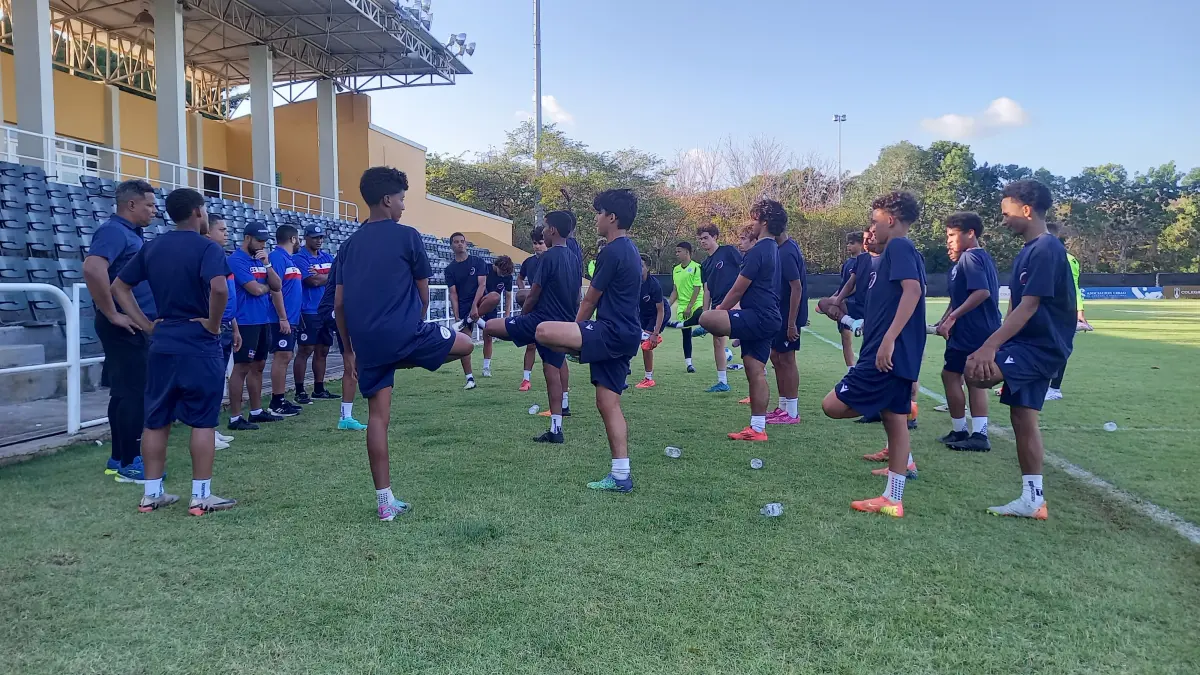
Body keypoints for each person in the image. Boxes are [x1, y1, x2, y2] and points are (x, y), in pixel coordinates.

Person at [334, 167, 475, 521]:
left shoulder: (349, 245)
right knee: (465, 345)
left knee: (378, 419)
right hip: (404, 334)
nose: (402, 206)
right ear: (387, 199)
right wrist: (414, 323)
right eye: (401, 199)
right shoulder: (407, 236)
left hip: (366, 344)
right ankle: (405, 358)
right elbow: (424, 294)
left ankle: (385, 503)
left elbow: (338, 305)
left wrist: (348, 350)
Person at [110, 188, 236, 515]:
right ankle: (201, 495)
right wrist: (212, 322)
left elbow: (118, 287)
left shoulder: (153, 247)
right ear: (198, 212)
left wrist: (146, 324)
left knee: (156, 420)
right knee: (203, 420)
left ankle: (151, 494)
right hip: (198, 341)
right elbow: (220, 287)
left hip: (163, 340)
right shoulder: (207, 247)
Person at [966, 180, 1075, 520]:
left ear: (1026, 210)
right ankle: (1033, 499)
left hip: (1041, 347)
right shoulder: (1029, 250)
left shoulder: (1046, 249)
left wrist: (989, 347)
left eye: (1006, 212)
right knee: (1022, 418)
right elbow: (1016, 306)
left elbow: (1028, 306)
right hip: (1024, 344)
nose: (1003, 220)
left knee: (975, 372)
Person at [821, 191, 926, 518]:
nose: (871, 227)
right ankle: (892, 499)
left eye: (874, 220)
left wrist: (889, 340)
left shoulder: (899, 246)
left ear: (890, 220)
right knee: (895, 421)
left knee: (832, 406)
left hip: (887, 354)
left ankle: (893, 402)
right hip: (890, 351)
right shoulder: (889, 255)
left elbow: (914, 291)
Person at [535, 190, 641, 491]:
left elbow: (590, 300)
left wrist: (575, 331)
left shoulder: (613, 250)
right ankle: (621, 476)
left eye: (598, 213)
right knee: (608, 403)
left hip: (611, 332)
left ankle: (580, 352)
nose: (595, 218)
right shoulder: (630, 250)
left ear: (612, 217)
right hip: (624, 334)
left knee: (544, 331)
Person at [485, 211, 582, 442]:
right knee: (551, 371)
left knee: (489, 326)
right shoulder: (574, 258)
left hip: (540, 320)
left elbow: (534, 294)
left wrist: (523, 313)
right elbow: (577, 296)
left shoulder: (547, 258)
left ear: (553, 231)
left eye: (545, 228)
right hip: (562, 323)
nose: (543, 232)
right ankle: (556, 430)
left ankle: (468, 322)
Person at [83, 179, 156, 482]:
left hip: (132, 322)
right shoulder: (114, 231)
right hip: (125, 325)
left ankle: (118, 456)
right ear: (131, 204)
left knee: (124, 393)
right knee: (134, 393)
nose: (154, 211)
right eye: (149, 205)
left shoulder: (131, 234)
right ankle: (130, 462)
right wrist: (112, 313)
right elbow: (92, 268)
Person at [699, 199, 784, 442]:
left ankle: (729, 345)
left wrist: (719, 312)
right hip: (765, 316)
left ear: (764, 222)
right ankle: (758, 429)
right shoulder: (773, 249)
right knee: (754, 370)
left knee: (706, 318)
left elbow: (737, 290)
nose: (751, 224)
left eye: (754, 219)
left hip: (759, 316)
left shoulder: (758, 251)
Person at [935, 212, 1001, 452]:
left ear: (970, 233)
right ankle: (961, 429)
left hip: (975, 329)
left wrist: (952, 318)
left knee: (973, 378)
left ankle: (978, 434)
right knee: (951, 375)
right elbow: (959, 298)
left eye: (953, 235)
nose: (949, 241)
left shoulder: (971, 258)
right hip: (967, 329)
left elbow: (981, 292)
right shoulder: (967, 259)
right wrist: (945, 320)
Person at [226, 222, 283, 430]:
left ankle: (256, 411)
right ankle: (235, 417)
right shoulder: (235, 260)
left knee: (258, 366)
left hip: (263, 320)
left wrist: (267, 265)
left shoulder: (261, 260)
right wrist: (266, 287)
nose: (261, 245)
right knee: (242, 368)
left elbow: (277, 286)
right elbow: (255, 290)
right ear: (247, 238)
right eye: (258, 240)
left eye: (264, 241)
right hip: (245, 321)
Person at [316, 252, 367, 430]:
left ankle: (346, 416)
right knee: (352, 359)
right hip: (334, 308)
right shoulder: (350, 255)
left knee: (355, 361)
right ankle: (346, 416)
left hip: (348, 309)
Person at [691, 224, 742, 393]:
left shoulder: (728, 251)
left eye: (705, 237)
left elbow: (745, 272)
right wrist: (706, 315)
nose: (702, 241)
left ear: (715, 237)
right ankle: (722, 382)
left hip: (735, 302)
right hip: (717, 305)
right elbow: (707, 289)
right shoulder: (704, 264)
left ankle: (759, 377)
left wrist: (741, 300)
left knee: (748, 338)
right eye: (700, 239)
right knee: (718, 343)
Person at [768, 216, 807, 425]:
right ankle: (782, 407)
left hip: (788, 316)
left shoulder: (788, 251)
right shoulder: (780, 249)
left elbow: (797, 287)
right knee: (777, 357)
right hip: (779, 315)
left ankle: (792, 412)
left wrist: (791, 323)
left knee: (787, 360)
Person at [204, 217, 238, 451]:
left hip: (226, 325)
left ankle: (212, 429)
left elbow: (229, 296)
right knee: (211, 380)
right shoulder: (206, 257)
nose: (226, 233)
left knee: (219, 381)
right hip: (214, 326)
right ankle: (206, 432)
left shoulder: (221, 258)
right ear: (208, 232)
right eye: (222, 230)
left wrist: (234, 327)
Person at [1045, 222, 1088, 400]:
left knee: (1058, 349)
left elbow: (1074, 289)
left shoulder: (1066, 259)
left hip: (1063, 314)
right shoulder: (1047, 257)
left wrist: (1079, 313)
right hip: (1049, 312)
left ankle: (1054, 389)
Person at [293, 225, 335, 404]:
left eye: (321, 237)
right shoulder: (299, 258)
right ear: (306, 238)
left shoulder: (327, 256)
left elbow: (337, 276)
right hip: (309, 310)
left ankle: (319, 388)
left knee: (323, 349)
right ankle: (300, 390)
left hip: (326, 310)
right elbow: (312, 281)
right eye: (315, 237)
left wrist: (323, 276)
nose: (319, 240)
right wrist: (328, 276)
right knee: (305, 349)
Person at [266, 225, 304, 417]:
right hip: (281, 319)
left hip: (292, 318)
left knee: (286, 356)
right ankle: (276, 401)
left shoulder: (289, 259)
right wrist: (282, 317)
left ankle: (280, 398)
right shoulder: (277, 257)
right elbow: (275, 289)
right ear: (293, 239)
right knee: (281, 357)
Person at [445, 232, 487, 388]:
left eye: (462, 241)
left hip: (481, 301)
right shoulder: (450, 269)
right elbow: (453, 294)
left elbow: (482, 285)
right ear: (451, 246)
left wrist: (474, 306)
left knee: (494, 297)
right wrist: (457, 317)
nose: (460, 244)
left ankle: (487, 367)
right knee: (465, 344)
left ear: (466, 243)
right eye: (456, 242)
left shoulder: (477, 261)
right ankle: (470, 379)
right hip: (463, 307)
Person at [517, 227, 548, 391]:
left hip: (550, 309)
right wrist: (524, 293)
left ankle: (559, 382)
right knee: (531, 345)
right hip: (533, 308)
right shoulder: (528, 262)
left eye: (540, 243)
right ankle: (526, 379)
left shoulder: (552, 259)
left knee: (553, 347)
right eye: (535, 243)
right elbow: (520, 278)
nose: (537, 246)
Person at [667, 241, 703, 372]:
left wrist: (690, 306)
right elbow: (675, 291)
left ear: (687, 252)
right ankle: (689, 364)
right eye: (676, 251)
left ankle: (681, 324)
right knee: (686, 335)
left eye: (679, 251)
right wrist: (667, 306)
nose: (676, 254)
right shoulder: (676, 269)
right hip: (682, 305)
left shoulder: (696, 267)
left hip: (696, 302)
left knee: (701, 315)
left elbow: (697, 288)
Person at [633, 254, 666, 389]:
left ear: (648, 268)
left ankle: (649, 379)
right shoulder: (631, 282)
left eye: (641, 266)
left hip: (655, 315)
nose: (637, 268)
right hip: (640, 315)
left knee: (645, 345)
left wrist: (655, 332)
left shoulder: (654, 285)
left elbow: (661, 310)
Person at [837, 232, 865, 366]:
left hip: (858, 303)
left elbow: (854, 286)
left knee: (868, 335)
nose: (848, 246)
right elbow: (844, 285)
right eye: (847, 243)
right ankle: (850, 368)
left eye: (852, 243)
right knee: (845, 337)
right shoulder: (847, 263)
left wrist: (841, 296)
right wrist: (835, 297)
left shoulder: (864, 261)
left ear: (861, 244)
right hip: (845, 302)